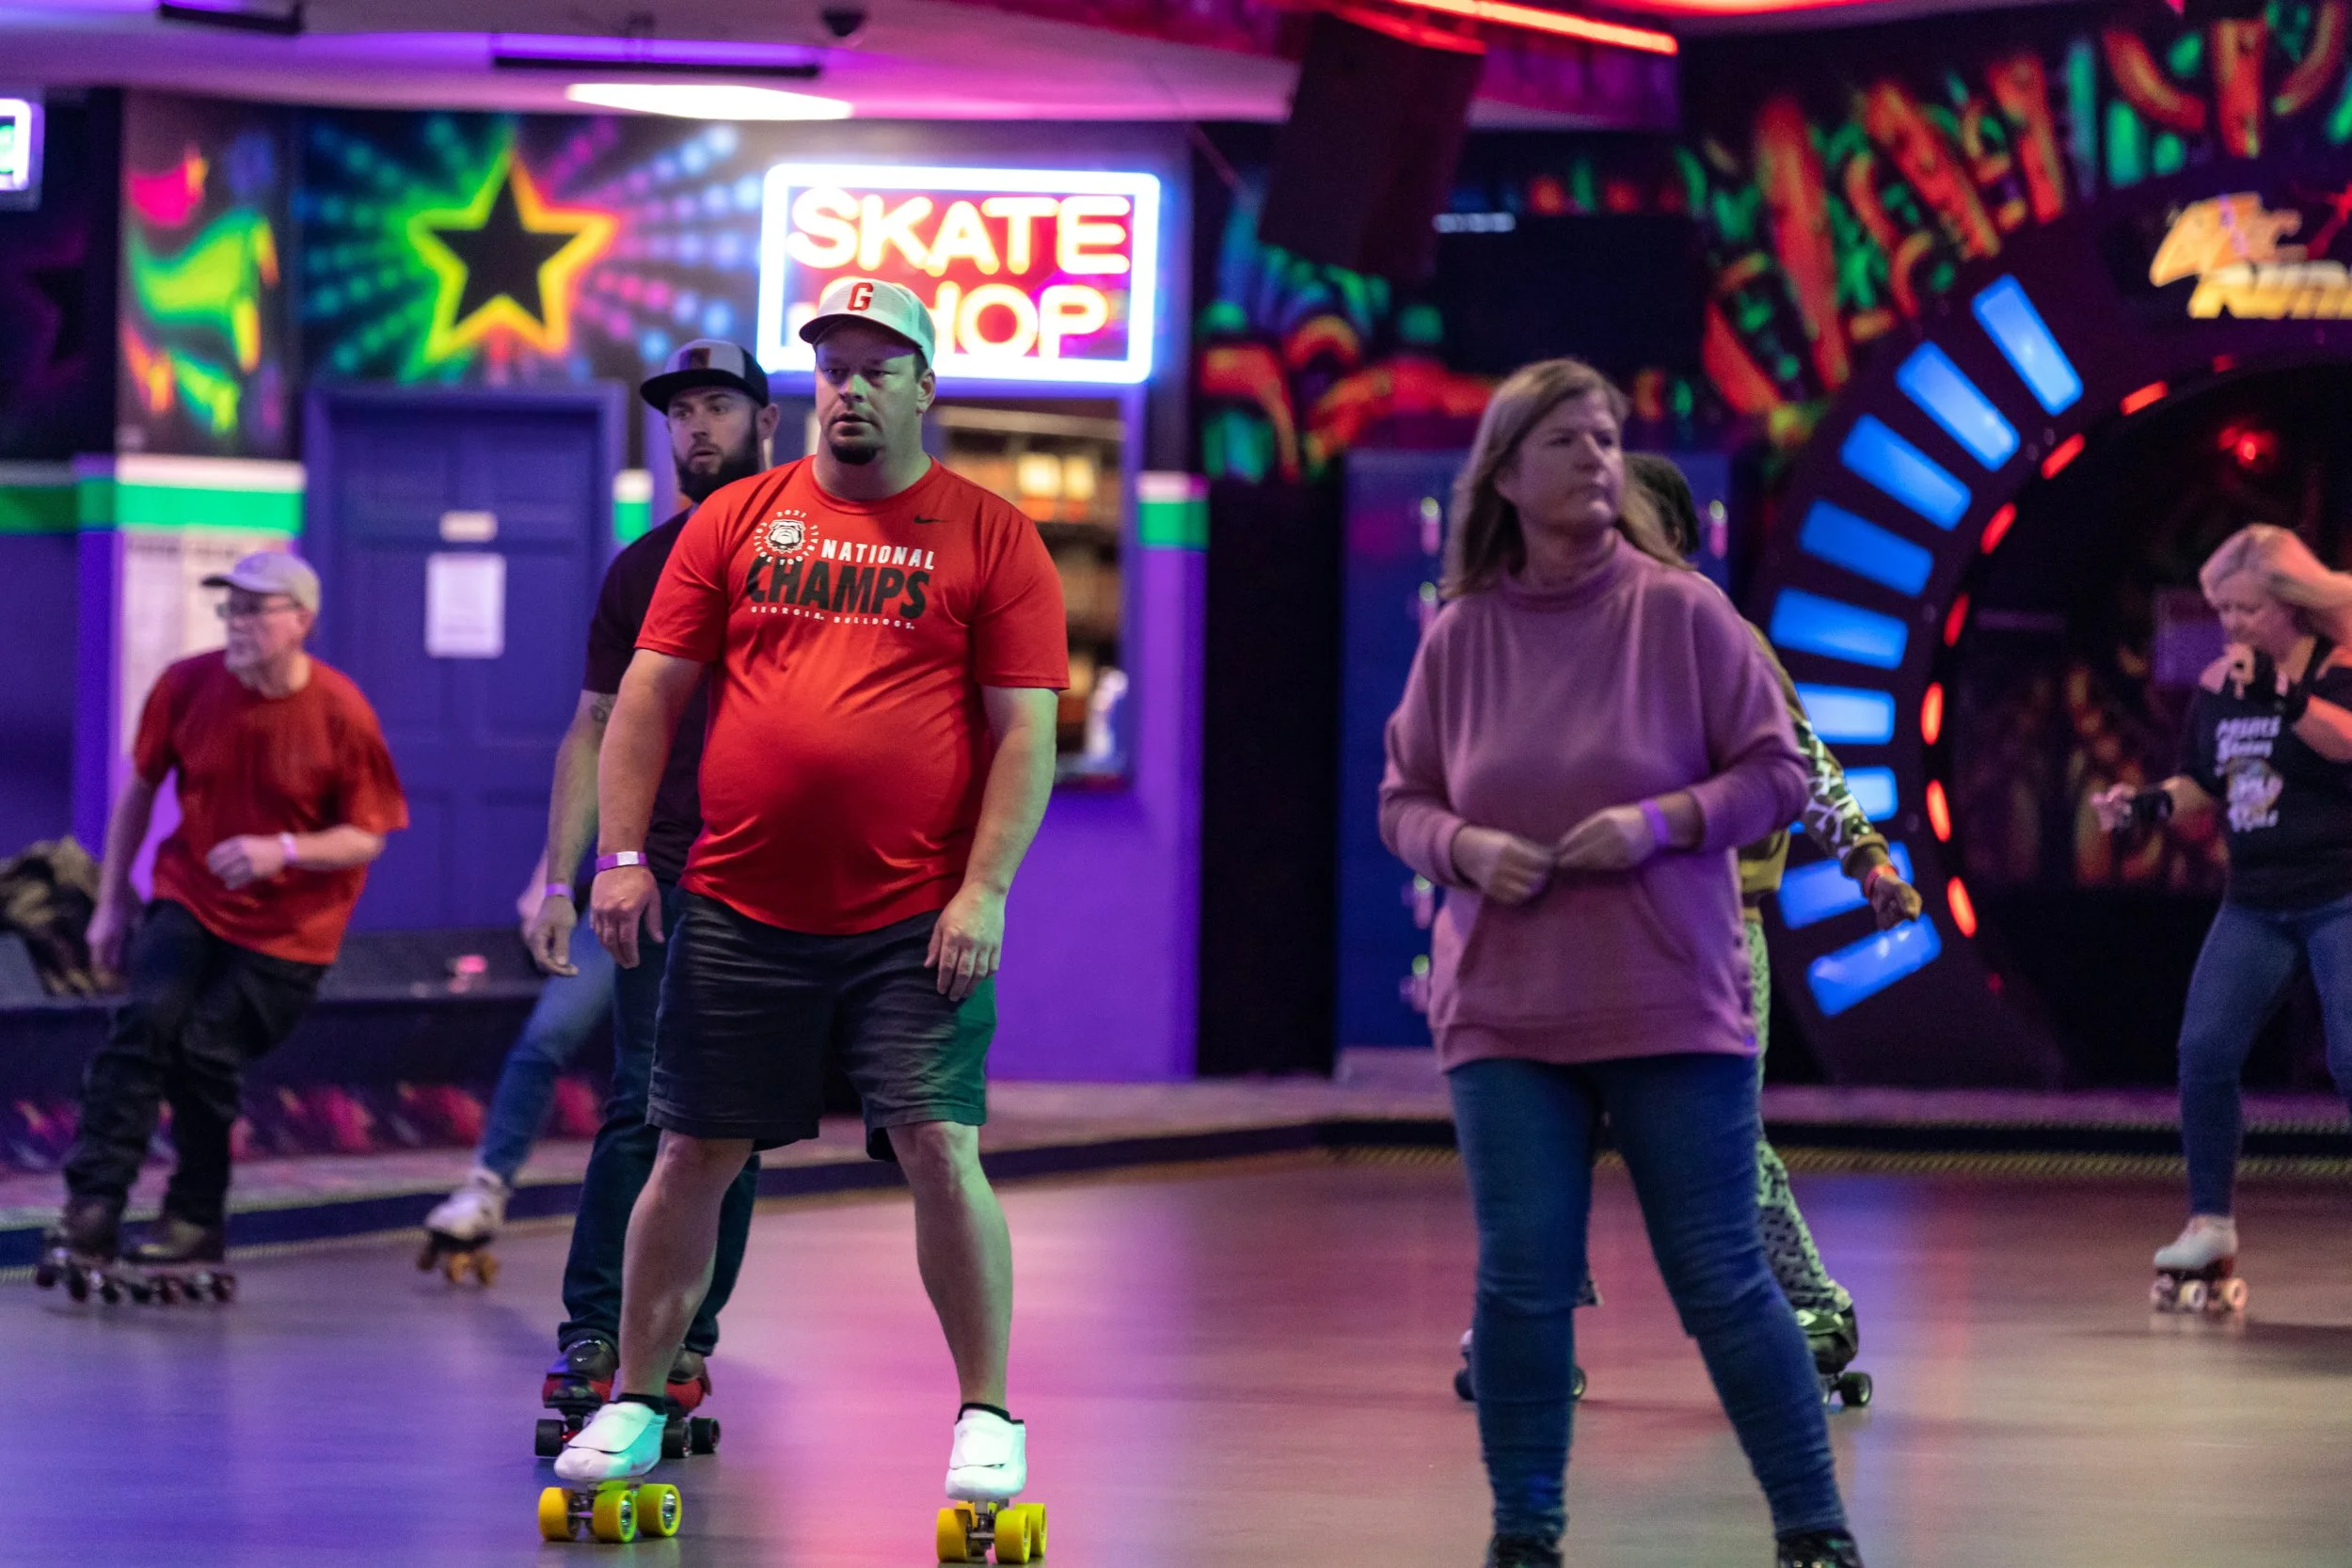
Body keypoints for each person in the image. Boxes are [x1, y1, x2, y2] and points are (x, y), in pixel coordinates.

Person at [557, 276, 1067, 1550]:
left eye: (876, 365)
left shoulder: (992, 536)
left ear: (922, 385)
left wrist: (985, 889)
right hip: (737, 901)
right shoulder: (735, 522)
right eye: (831, 364)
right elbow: (646, 698)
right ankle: (633, 1392)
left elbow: (1025, 738)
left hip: (914, 917)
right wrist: (622, 854)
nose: (850, 384)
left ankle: (987, 1410)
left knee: (937, 1141)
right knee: (689, 1146)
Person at [1380, 358, 1860, 1568]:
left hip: (1667, 997)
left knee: (1719, 1273)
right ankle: (1524, 1533)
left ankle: (1813, 1526)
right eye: (1567, 442)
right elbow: (1404, 798)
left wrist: (1656, 823)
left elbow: (1777, 775)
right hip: (1503, 1008)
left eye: (1606, 440)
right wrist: (1465, 844)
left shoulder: (1682, 609)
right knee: (1522, 1285)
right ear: (1505, 474)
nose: (1597, 459)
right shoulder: (1463, 635)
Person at [528, 341, 781, 1418]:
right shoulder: (641, 566)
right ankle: (598, 1326)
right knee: (643, 1099)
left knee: (741, 1113)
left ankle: (684, 1330)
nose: (696, 429)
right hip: (664, 876)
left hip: (777, 878)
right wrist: (560, 874)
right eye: (681, 413)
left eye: (719, 406)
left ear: (767, 422)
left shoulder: (810, 552)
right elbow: (591, 726)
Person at [46, 551, 405, 1272]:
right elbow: (140, 793)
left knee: (204, 1049)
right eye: (231, 609)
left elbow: (367, 833)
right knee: (142, 1025)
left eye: (254, 609)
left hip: (290, 930)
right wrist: (111, 903)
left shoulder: (340, 710)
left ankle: (195, 1214)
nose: (236, 624)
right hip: (191, 892)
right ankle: (92, 1206)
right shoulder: (187, 684)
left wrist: (284, 849)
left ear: (301, 620)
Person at [2092, 523, 2352, 1310]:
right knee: (2204, 1048)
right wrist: (2142, 804)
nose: (2231, 624)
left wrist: (2280, 692)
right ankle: (2210, 1224)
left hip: (2339, 890)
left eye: (2243, 608)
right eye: (2222, 610)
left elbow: (2343, 743)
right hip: (2257, 900)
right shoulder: (2219, 683)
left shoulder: (2337, 665)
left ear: (2286, 604)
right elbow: (2204, 780)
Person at [417, 855, 616, 1272]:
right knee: (548, 1035)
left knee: (658, 1061)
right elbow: (587, 791)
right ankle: (486, 1188)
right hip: (622, 889)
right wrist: (549, 883)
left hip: (710, 893)